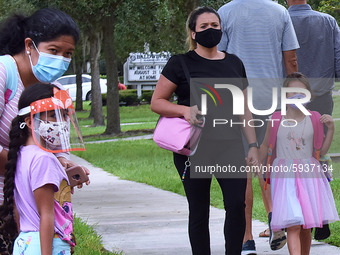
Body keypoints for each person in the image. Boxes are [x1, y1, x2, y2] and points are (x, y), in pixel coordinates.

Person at [151, 6, 259, 255]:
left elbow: (244, 109)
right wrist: (184, 111)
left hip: (230, 146)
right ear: (193, 33)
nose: (211, 30)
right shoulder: (180, 63)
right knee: (199, 209)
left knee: (236, 204)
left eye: (215, 25)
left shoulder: (234, 63)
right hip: (193, 147)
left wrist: (252, 145)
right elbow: (157, 102)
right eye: (204, 27)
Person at [0, 8, 86, 253]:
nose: (61, 59)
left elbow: (59, 148)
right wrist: (26, 167)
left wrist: (65, 167)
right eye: (54, 51)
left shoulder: (55, 91)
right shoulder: (4, 72)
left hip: (27, 211)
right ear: (30, 45)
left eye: (68, 53)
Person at [217, 0, 300, 253]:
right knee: (270, 165)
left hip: (237, 102)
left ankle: (246, 238)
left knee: (242, 168)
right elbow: (292, 61)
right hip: (272, 102)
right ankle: (276, 219)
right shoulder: (280, 12)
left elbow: (218, 59)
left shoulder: (225, 12)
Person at [0, 83, 86, 254]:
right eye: (53, 116)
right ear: (30, 121)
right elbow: (46, 215)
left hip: (26, 242)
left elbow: (20, 208)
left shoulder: (21, 155)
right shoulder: (44, 158)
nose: (61, 123)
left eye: (63, 115)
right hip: (47, 244)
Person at [259, 72, 339, 255]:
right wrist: (255, 159)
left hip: (308, 177)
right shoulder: (276, 119)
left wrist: (331, 128)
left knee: (305, 226)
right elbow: (265, 146)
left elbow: (322, 151)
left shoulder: (314, 119)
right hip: (284, 178)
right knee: (293, 224)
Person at [287, 0, 340, 117]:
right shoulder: (328, 21)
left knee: (290, 134)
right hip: (322, 96)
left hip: (290, 97)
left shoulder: (281, 21)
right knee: (323, 134)